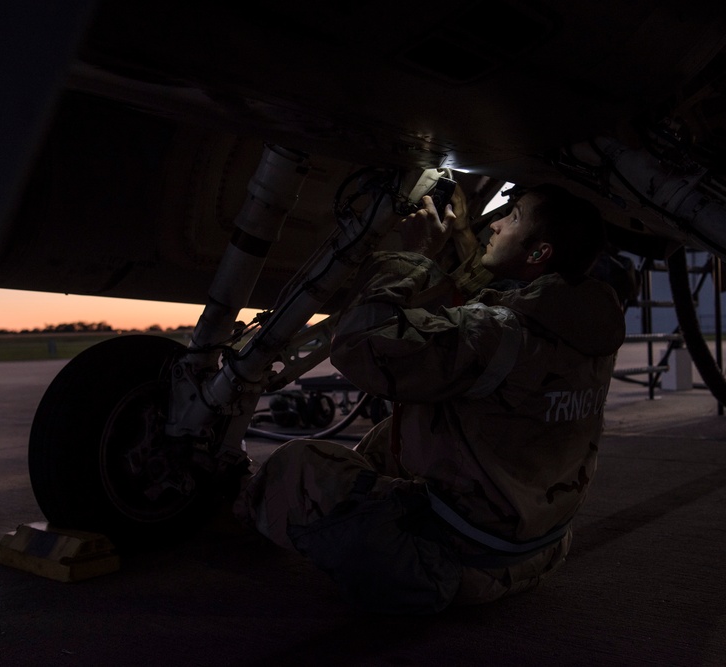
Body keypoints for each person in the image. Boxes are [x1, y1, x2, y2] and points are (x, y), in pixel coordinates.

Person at [235, 183, 626, 614]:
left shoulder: (500, 333)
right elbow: (467, 322)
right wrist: (459, 242)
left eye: (512, 216)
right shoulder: (586, 329)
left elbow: (362, 344)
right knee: (403, 429)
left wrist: (413, 254)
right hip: (533, 553)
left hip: (452, 561)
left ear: (538, 254)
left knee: (296, 467)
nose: (494, 223)